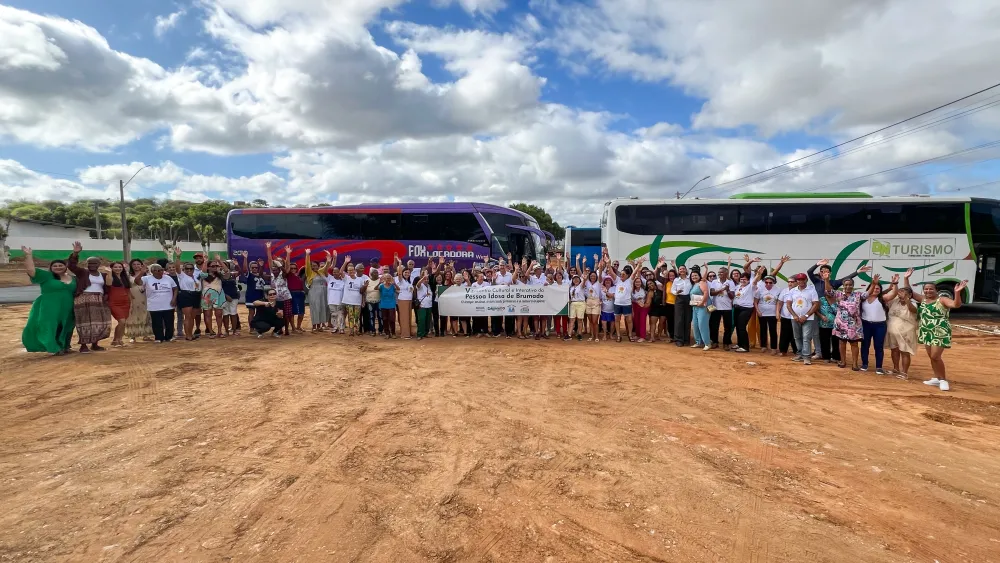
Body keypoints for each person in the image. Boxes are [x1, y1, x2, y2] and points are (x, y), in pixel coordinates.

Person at [905, 270, 967, 392]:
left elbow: (956, 304)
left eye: (931, 289)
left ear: (936, 290)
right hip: (926, 329)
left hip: (940, 330)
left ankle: (943, 380)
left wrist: (957, 293)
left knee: (935, 356)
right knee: (931, 357)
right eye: (926, 289)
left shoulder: (942, 299)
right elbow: (909, 293)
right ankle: (937, 378)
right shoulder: (923, 299)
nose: (928, 291)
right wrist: (906, 278)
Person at [20, 246, 76, 355]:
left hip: (68, 307)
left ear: (65, 267)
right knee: (49, 325)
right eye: (55, 266)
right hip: (49, 306)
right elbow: (31, 270)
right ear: (51, 267)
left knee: (67, 325)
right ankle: (53, 348)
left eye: (61, 265)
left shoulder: (72, 278)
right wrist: (28, 255)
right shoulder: (46, 276)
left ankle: (65, 346)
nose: (58, 267)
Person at [67, 241, 112, 353]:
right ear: (87, 264)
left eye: (95, 263)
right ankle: (83, 345)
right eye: (90, 263)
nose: (92, 265)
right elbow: (71, 266)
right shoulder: (82, 272)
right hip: (84, 299)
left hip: (99, 300)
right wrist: (75, 253)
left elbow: (108, 286)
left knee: (99, 322)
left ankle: (95, 344)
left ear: (99, 265)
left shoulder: (103, 275)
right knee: (84, 322)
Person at [881, 274, 918, 379]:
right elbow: (887, 295)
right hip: (892, 332)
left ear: (910, 295)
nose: (901, 295)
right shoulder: (894, 301)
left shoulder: (913, 304)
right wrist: (894, 284)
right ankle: (896, 369)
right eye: (900, 293)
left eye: (904, 294)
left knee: (904, 352)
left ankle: (904, 373)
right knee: (894, 350)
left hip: (906, 333)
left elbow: (912, 310)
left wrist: (906, 299)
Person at [827, 276, 865, 371]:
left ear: (853, 286)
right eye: (846, 285)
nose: (848, 286)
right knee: (842, 343)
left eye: (850, 285)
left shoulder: (857, 295)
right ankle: (843, 361)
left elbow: (867, 294)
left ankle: (855, 364)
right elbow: (829, 291)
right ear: (843, 286)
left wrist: (873, 283)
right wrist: (826, 280)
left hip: (854, 324)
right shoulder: (838, 294)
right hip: (841, 323)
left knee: (854, 344)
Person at [785, 273, 820, 366]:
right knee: (797, 337)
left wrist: (806, 315)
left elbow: (816, 304)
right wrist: (795, 315)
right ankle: (800, 353)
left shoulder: (811, 290)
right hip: (795, 318)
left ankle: (806, 357)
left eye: (802, 279)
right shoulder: (793, 291)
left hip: (808, 318)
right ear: (797, 281)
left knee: (806, 338)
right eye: (799, 280)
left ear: (806, 280)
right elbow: (788, 304)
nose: (800, 281)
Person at [142, 263, 178, 343]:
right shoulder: (146, 278)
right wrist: (142, 271)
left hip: (168, 304)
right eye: (158, 270)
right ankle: (159, 337)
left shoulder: (168, 278)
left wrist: (174, 299)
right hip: (154, 305)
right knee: (156, 323)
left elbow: (175, 288)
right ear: (153, 271)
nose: (161, 271)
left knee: (169, 322)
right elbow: (137, 282)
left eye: (162, 270)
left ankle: (169, 337)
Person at [173, 247, 204, 341]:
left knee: (192, 317)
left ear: (193, 270)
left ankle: (190, 334)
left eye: (191, 269)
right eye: (187, 269)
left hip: (196, 295)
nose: (189, 270)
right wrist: (178, 256)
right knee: (188, 316)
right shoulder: (182, 275)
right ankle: (188, 335)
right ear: (184, 269)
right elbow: (177, 267)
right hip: (186, 295)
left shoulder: (195, 277)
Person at [860, 275, 889, 374]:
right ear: (869, 288)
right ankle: (864, 364)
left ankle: (879, 367)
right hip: (866, 324)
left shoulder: (883, 298)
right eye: (874, 288)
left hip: (880, 326)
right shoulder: (863, 299)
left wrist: (894, 284)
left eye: (878, 288)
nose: (876, 289)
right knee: (865, 345)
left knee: (878, 346)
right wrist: (874, 283)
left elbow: (893, 294)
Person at [265, 242, 294, 336]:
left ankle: (286, 330)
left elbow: (287, 266)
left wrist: (288, 254)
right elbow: (269, 260)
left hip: (285, 297)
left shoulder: (284, 273)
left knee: (286, 314)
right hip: (275, 297)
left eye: (280, 261)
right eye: (277, 261)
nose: (278, 262)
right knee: (276, 314)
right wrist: (268, 249)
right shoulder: (273, 272)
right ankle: (279, 329)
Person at [124, 259, 154, 343]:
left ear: (141, 265)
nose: (136, 266)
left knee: (146, 314)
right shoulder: (127, 275)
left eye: (138, 264)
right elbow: (126, 287)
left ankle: (146, 335)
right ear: (131, 266)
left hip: (145, 297)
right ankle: (133, 335)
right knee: (133, 315)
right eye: (134, 264)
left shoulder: (147, 275)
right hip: (133, 297)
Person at [304, 249, 333, 333]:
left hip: (323, 293)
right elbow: (307, 265)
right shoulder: (309, 273)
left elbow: (326, 266)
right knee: (315, 309)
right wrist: (307, 255)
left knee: (322, 308)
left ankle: (320, 326)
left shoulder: (320, 272)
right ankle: (314, 326)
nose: (314, 267)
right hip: (314, 292)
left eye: (315, 265)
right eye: (312, 266)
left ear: (318, 266)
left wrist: (328, 259)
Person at [199, 256, 227, 338]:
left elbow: (226, 270)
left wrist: (219, 260)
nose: (215, 267)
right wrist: (205, 261)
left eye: (216, 266)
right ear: (208, 267)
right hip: (207, 297)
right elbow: (203, 271)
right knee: (208, 314)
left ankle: (219, 331)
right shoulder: (204, 275)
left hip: (219, 296)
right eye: (213, 266)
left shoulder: (219, 275)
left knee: (219, 315)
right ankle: (211, 332)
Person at [240, 251, 270, 327]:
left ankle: (259, 326)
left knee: (260, 312)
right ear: (250, 268)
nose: (254, 269)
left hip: (260, 296)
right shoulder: (249, 275)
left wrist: (261, 266)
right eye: (253, 267)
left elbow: (261, 273)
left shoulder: (261, 275)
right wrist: (245, 258)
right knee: (252, 312)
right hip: (251, 296)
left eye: (256, 267)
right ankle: (251, 328)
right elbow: (244, 269)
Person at [106, 261, 132, 347]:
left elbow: (128, 291)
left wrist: (130, 301)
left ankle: (119, 340)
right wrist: (109, 273)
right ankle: (116, 339)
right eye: (115, 267)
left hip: (125, 302)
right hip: (114, 303)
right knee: (121, 321)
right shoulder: (110, 277)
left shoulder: (124, 278)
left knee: (123, 323)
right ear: (112, 268)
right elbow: (108, 283)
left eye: (120, 267)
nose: (118, 269)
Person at [755, 275, 782, 355]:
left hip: (772, 313)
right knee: (763, 329)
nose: (768, 284)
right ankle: (763, 346)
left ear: (773, 283)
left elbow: (778, 302)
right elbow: (755, 301)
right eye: (766, 282)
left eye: (770, 282)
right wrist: (758, 311)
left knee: (773, 330)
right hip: (762, 313)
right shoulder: (760, 289)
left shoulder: (778, 290)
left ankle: (773, 347)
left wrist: (777, 312)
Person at [689, 270, 711, 350]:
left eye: (695, 275)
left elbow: (706, 293)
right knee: (695, 324)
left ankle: (707, 343)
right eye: (692, 276)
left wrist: (702, 302)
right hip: (695, 307)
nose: (694, 277)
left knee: (702, 324)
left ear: (699, 276)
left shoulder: (702, 283)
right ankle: (698, 342)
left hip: (703, 306)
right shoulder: (694, 284)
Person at [670, 265, 692, 346]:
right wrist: (676, 292)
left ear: (686, 270)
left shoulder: (690, 279)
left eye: (683, 269)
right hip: (679, 299)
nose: (682, 270)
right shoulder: (676, 280)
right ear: (678, 271)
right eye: (680, 269)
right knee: (679, 319)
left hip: (688, 299)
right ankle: (679, 339)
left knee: (687, 319)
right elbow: (672, 290)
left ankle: (686, 339)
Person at [220, 260, 242, 336]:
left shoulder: (233, 274)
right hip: (223, 297)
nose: (222, 266)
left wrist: (237, 265)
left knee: (233, 313)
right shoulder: (219, 276)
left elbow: (240, 271)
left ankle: (234, 330)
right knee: (225, 314)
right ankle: (226, 331)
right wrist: (225, 296)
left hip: (234, 296)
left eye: (224, 265)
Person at [395, 265, 414, 339]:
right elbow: (399, 274)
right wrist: (399, 263)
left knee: (408, 317)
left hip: (409, 300)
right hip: (403, 300)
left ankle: (408, 332)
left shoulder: (408, 281)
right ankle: (404, 334)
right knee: (404, 318)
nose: (407, 274)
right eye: (405, 272)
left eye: (408, 273)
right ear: (402, 273)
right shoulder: (401, 280)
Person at [378, 273, 398, 338]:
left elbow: (398, 289)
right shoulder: (381, 286)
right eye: (387, 278)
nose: (388, 279)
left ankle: (393, 333)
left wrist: (394, 283)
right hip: (383, 304)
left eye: (389, 278)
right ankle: (387, 333)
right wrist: (379, 283)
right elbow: (376, 288)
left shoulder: (392, 286)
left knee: (392, 319)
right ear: (384, 279)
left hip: (391, 304)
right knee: (385, 319)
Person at [415, 272, 433, 339]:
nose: (426, 280)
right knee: (421, 320)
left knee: (427, 320)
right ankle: (420, 334)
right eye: (425, 279)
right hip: (422, 305)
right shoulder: (420, 285)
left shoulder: (429, 286)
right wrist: (423, 278)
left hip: (429, 305)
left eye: (427, 279)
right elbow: (418, 284)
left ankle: (426, 333)